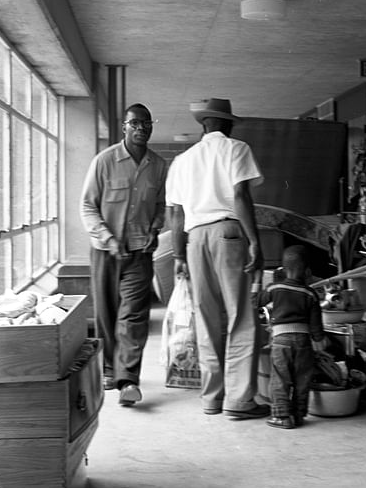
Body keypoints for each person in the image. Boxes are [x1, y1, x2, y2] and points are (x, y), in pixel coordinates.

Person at [165, 98, 269, 419]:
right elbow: (240, 196)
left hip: (195, 239)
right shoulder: (236, 149)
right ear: (229, 124)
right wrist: (255, 242)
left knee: (206, 317)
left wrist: (179, 254)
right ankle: (238, 401)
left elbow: (175, 212)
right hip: (228, 235)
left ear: (203, 126)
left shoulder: (182, 160)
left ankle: (212, 397)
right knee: (240, 316)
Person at [80, 103, 167, 406]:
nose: (141, 128)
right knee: (107, 313)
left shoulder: (157, 165)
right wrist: (106, 237)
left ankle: (128, 379)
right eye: (135, 123)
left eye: (147, 123)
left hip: (140, 252)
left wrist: (155, 229)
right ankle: (108, 368)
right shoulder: (104, 162)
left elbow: (160, 206)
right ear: (124, 127)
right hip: (106, 251)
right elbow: (88, 206)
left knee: (134, 316)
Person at [254, 245, 328, 429]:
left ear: (283, 269)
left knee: (280, 379)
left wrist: (256, 282)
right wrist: (320, 340)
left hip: (281, 341)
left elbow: (255, 302)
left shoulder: (275, 288)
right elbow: (316, 325)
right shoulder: (310, 294)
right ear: (308, 271)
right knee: (302, 379)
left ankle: (282, 416)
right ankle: (299, 414)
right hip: (303, 342)